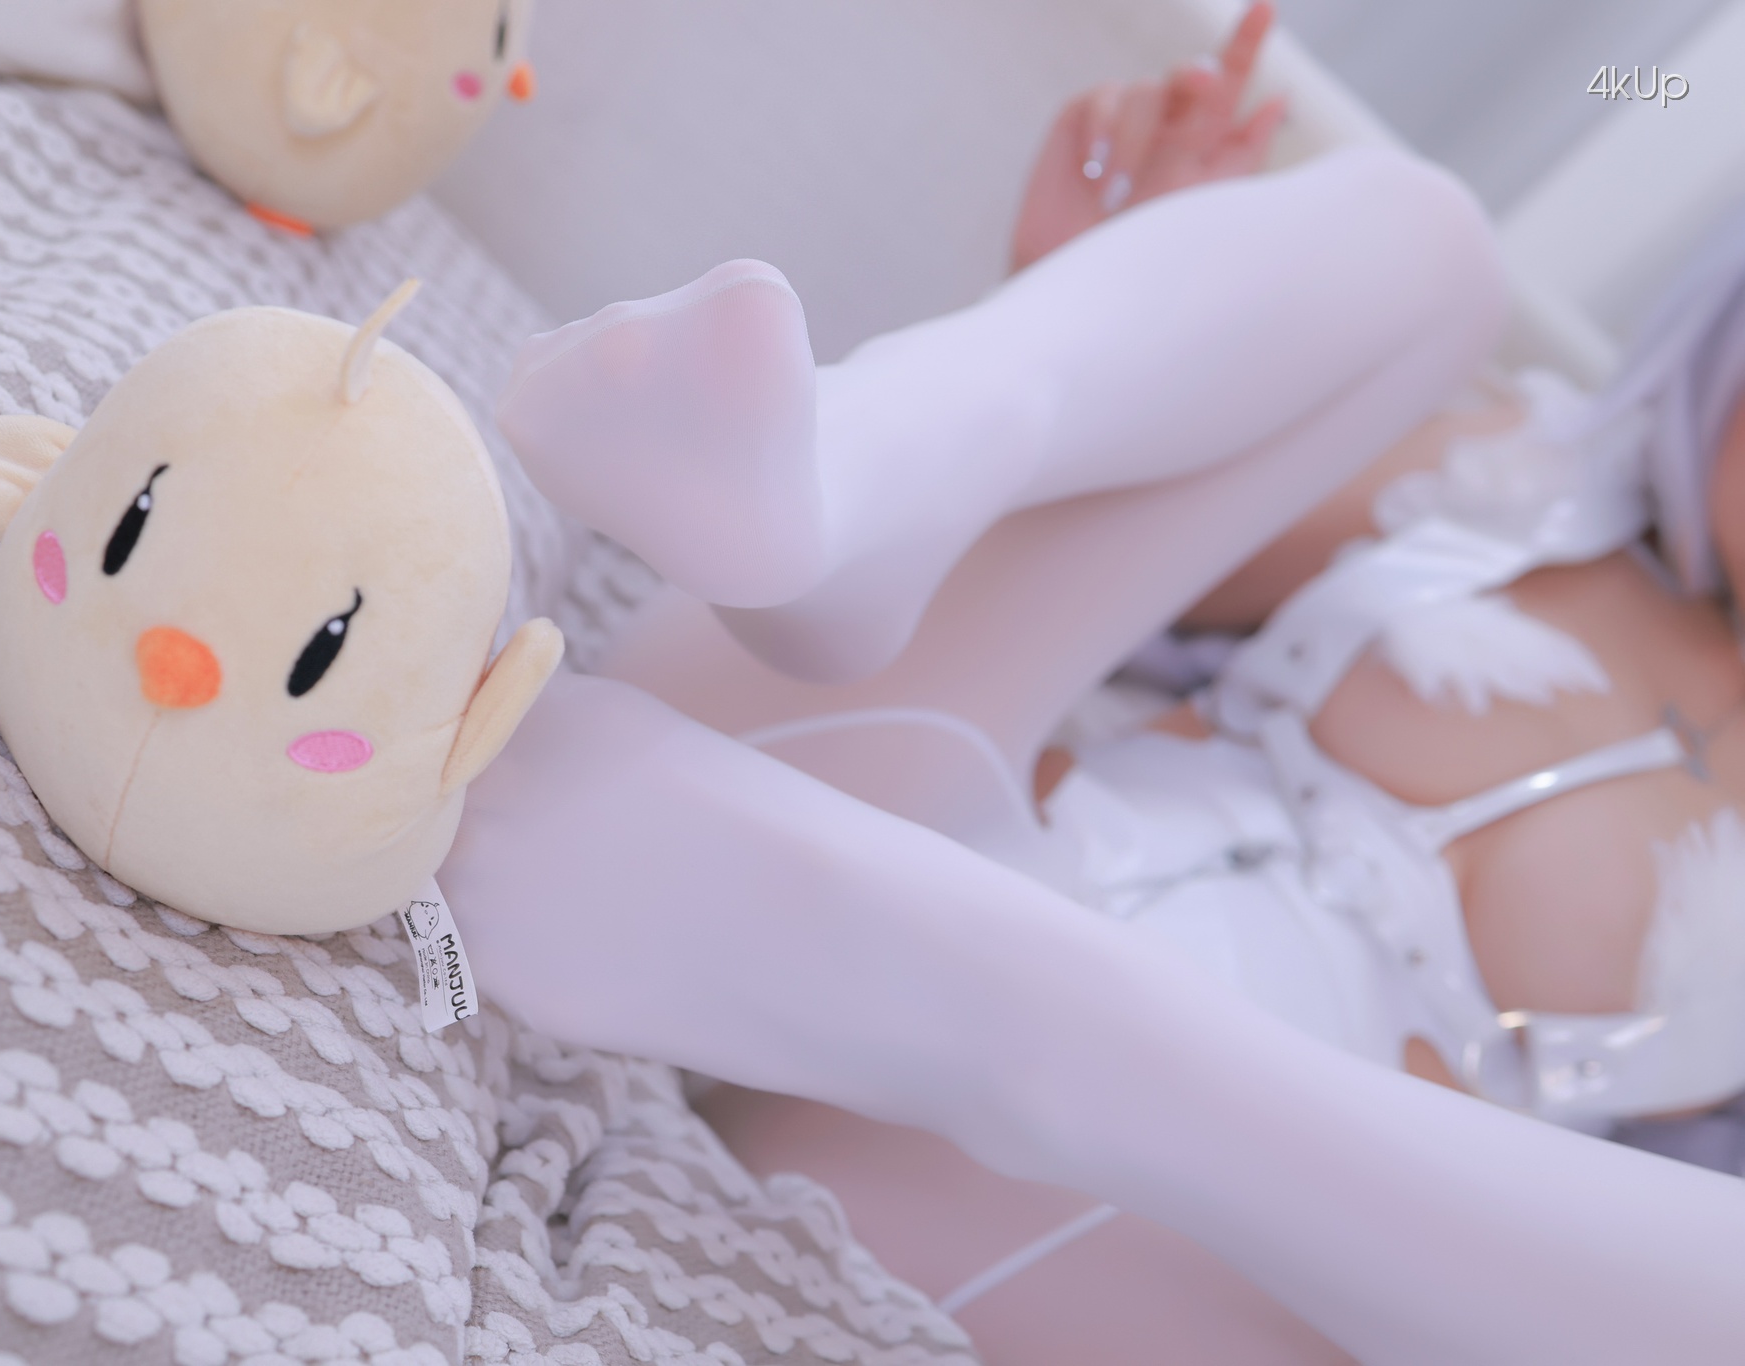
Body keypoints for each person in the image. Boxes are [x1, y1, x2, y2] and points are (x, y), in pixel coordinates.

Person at [442, 7, 1745, 1363]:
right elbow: (1105, 533)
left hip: (1093, 1243)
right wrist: (1106, 303)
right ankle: (845, 489)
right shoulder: (1527, 485)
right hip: (779, 828)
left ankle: (1028, 1022)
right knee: (1432, 248)